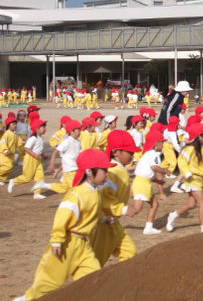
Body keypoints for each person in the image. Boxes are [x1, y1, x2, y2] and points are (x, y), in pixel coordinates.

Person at [13, 149, 114, 301]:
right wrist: (57, 240)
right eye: (103, 170)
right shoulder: (76, 194)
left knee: (94, 277)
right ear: (89, 172)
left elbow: (92, 213)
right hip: (66, 244)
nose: (106, 173)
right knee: (48, 282)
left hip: (83, 245)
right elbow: (62, 217)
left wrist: (104, 219)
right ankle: (26, 299)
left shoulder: (95, 192)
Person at [91, 130, 140, 266]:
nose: (132, 155)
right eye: (129, 152)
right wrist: (123, 209)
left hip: (113, 223)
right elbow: (103, 197)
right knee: (95, 264)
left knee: (129, 253)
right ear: (116, 152)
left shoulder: (119, 170)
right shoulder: (111, 173)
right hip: (103, 225)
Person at [166, 123, 203, 233]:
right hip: (192, 179)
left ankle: (172, 216)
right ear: (198, 137)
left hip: (198, 179)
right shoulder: (189, 149)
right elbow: (182, 161)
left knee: (191, 204)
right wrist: (187, 172)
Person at [130, 131, 171, 235]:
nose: (163, 144)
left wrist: (158, 180)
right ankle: (113, 214)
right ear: (156, 144)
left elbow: (148, 173)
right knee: (136, 210)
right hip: (142, 184)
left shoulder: (148, 154)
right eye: (162, 142)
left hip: (143, 183)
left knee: (155, 204)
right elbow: (154, 168)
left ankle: (148, 227)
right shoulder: (153, 155)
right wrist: (165, 170)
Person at [7, 119, 50, 199]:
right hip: (30, 159)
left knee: (40, 176)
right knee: (27, 177)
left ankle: (37, 193)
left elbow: (38, 149)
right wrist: (34, 154)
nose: (45, 128)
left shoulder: (41, 138)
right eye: (43, 127)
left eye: (45, 127)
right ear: (37, 129)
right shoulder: (33, 138)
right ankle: (13, 181)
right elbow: (26, 148)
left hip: (37, 159)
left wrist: (42, 155)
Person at [39, 119, 82, 194]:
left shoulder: (78, 142)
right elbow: (55, 151)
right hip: (70, 170)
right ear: (72, 131)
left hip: (75, 168)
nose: (80, 132)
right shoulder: (67, 141)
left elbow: (74, 156)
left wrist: (59, 169)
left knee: (64, 188)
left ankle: (44, 185)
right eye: (78, 130)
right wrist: (52, 163)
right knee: (76, 188)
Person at [0, 117, 20, 185]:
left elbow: (19, 142)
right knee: (8, 166)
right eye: (13, 124)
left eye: (15, 124)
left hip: (11, 154)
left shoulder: (15, 134)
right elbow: (3, 142)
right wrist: (5, 150)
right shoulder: (6, 134)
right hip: (4, 154)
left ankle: (1, 179)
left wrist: (23, 142)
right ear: (8, 125)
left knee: (10, 168)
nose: (15, 125)